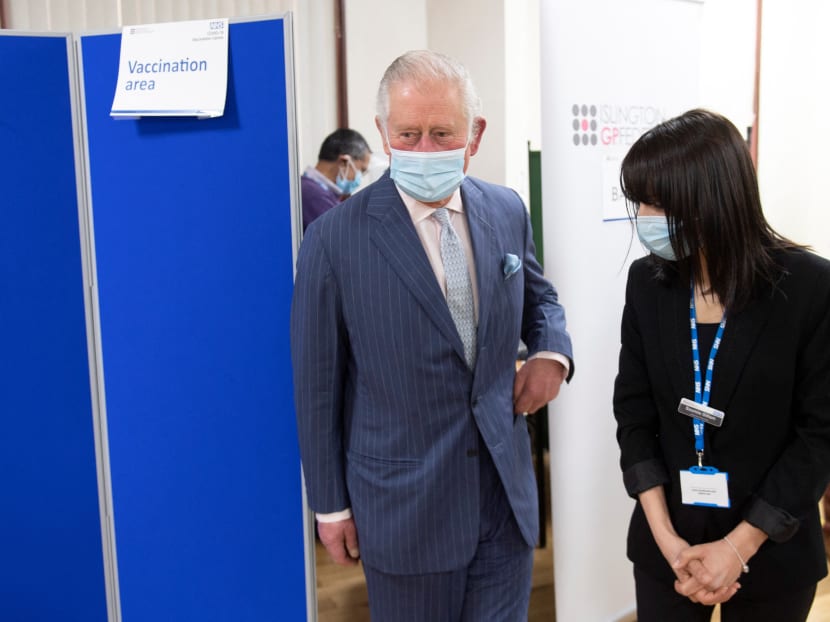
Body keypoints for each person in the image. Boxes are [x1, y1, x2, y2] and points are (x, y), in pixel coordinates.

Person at [291, 50, 574, 621]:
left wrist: (551, 353)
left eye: (441, 133)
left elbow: (539, 298)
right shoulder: (333, 240)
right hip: (405, 507)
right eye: (408, 134)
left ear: (475, 134)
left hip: (503, 496)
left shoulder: (506, 209)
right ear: (382, 133)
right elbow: (317, 383)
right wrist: (329, 505)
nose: (423, 150)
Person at [613, 108, 830, 621]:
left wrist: (738, 547)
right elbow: (633, 415)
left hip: (772, 547)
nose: (646, 216)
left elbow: (818, 435)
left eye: (659, 202)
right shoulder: (649, 283)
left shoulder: (808, 288)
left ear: (712, 198)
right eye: (641, 201)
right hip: (669, 546)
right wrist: (667, 541)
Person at [300, 128, 372, 231]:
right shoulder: (314, 196)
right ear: (344, 162)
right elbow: (345, 240)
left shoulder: (312, 190)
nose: (359, 178)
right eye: (361, 170)